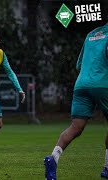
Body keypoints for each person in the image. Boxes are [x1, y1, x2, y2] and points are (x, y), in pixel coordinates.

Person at [44, 23, 108, 180]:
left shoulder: (91, 34)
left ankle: (53, 158)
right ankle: (107, 167)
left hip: (81, 84)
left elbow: (79, 64)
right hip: (103, 84)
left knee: (76, 127)